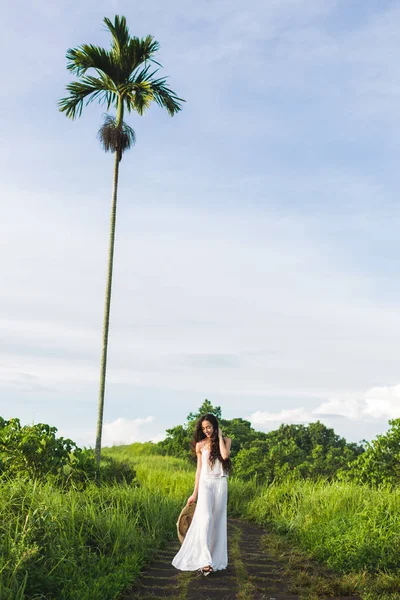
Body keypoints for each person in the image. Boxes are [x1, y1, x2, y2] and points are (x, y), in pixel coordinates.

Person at [172, 413, 232, 575]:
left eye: (209, 427)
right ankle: (204, 560)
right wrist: (194, 494)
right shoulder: (200, 445)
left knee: (218, 521)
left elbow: (225, 456)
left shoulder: (226, 441)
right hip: (205, 483)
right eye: (203, 428)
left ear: (215, 426)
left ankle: (215, 559)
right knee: (205, 518)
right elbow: (199, 470)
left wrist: (219, 436)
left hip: (220, 483)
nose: (206, 430)